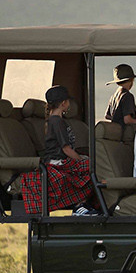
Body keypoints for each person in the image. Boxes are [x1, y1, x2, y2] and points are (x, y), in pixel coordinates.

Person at [23, 85, 96, 215]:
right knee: (92, 167)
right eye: (68, 101)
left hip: (60, 160)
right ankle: (79, 205)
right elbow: (66, 149)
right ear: (63, 103)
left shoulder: (55, 120)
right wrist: (81, 159)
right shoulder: (56, 122)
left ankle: (82, 204)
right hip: (58, 162)